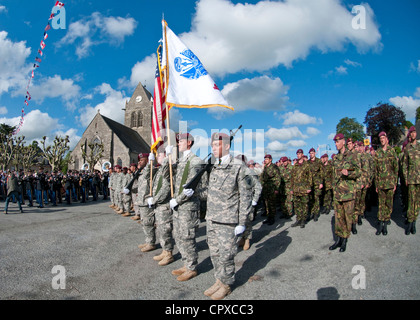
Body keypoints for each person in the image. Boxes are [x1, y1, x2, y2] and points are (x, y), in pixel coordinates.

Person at [202, 132, 252, 300]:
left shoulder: (238, 166)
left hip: (228, 220)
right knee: (215, 253)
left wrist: (242, 222)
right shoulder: (215, 166)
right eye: (212, 145)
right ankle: (219, 279)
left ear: (227, 146)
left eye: (217, 145)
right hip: (212, 218)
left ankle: (227, 284)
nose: (213, 148)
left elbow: (245, 196)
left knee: (226, 255)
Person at [167, 133, 205, 282]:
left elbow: (190, 187)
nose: (178, 144)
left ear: (189, 143)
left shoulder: (195, 161)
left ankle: (191, 267)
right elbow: (167, 175)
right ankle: (186, 262)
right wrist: (167, 159)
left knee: (188, 237)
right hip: (178, 206)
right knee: (178, 235)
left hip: (188, 207)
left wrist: (178, 200)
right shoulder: (181, 161)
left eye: (181, 141)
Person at [329, 133, 361, 252]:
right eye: (335, 142)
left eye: (337, 142)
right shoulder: (335, 158)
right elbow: (333, 175)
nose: (336, 144)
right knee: (338, 218)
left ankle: (345, 240)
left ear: (343, 141)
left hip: (348, 192)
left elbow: (358, 171)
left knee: (347, 218)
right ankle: (338, 239)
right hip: (338, 193)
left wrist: (349, 174)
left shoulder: (352, 155)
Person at [146, 148, 175, 266]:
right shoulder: (159, 170)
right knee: (161, 230)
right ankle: (164, 250)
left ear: (164, 155)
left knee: (165, 230)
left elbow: (167, 187)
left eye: (159, 155)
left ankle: (169, 253)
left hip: (164, 206)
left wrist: (155, 199)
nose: (157, 157)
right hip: (159, 206)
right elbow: (153, 181)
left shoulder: (168, 168)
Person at [374, 132, 398, 235]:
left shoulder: (392, 151)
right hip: (381, 184)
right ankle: (381, 224)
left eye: (383, 137)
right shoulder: (377, 153)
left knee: (389, 204)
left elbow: (395, 168)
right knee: (381, 204)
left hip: (390, 183)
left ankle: (386, 222)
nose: (382, 139)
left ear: (386, 139)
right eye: (380, 138)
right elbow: (375, 171)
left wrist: (395, 183)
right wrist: (376, 184)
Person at [402, 126, 420, 235]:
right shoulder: (407, 148)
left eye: (414, 132)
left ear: (416, 134)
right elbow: (405, 165)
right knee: (411, 201)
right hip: (411, 179)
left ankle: (414, 222)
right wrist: (406, 177)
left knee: (417, 202)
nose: (413, 134)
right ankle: (410, 221)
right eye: (411, 133)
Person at [290, 149, 312, 228]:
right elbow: (292, 177)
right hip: (296, 188)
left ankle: (303, 220)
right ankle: (298, 219)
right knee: (297, 205)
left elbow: (310, 177)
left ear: (302, 154)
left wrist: (309, 187)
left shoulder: (306, 165)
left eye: (299, 154)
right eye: (297, 154)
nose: (298, 155)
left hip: (304, 188)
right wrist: (291, 188)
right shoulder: (295, 166)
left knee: (304, 205)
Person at [260, 154, 281, 225]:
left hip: (272, 188)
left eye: (267, 159)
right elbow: (262, 177)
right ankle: (268, 217)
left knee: (272, 204)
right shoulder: (265, 167)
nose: (265, 160)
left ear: (270, 159)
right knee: (267, 203)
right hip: (266, 188)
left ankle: (272, 218)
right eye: (265, 159)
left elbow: (278, 178)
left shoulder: (274, 167)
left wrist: (276, 189)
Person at [307, 148, 324, 221]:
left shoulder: (319, 161)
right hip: (310, 184)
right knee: (310, 199)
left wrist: (321, 182)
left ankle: (316, 214)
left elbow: (322, 172)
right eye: (310, 153)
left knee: (316, 199)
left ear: (315, 153)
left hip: (317, 183)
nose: (311, 154)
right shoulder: (307, 162)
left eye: (312, 153)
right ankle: (311, 213)